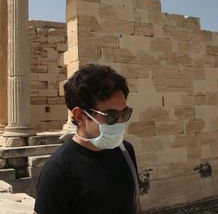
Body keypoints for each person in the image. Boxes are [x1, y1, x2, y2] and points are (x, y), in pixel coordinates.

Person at [34, 64, 140, 214]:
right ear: (79, 116)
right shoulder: (57, 172)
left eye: (125, 113)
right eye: (111, 116)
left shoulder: (126, 151)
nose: (120, 122)